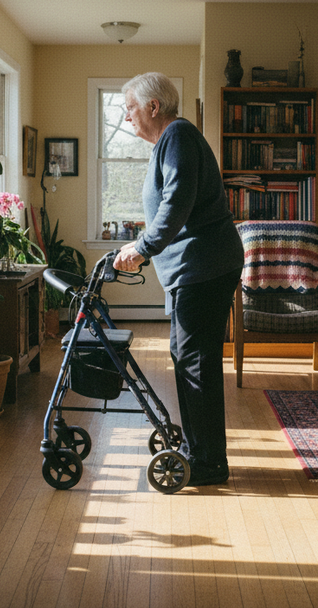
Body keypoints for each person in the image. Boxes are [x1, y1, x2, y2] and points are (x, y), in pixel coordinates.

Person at [114, 72, 244, 487]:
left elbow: (177, 202)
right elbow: (166, 209)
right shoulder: (167, 143)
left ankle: (207, 463)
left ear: (154, 107)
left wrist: (142, 248)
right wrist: (141, 242)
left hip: (204, 267)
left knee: (195, 363)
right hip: (197, 269)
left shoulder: (178, 137)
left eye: (130, 107)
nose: (126, 115)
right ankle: (198, 452)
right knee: (189, 359)